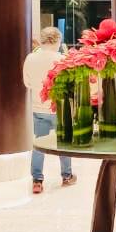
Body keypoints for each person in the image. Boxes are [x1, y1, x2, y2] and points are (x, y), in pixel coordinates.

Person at [22, 27, 75, 194]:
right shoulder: (62, 59)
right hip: (59, 108)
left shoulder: (30, 58)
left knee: (39, 145)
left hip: (38, 108)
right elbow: (70, 84)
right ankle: (66, 176)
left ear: (42, 40)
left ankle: (37, 181)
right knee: (63, 143)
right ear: (58, 40)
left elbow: (27, 83)